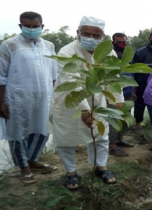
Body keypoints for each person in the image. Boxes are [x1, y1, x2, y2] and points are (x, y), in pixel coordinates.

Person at [53, 16, 123, 190]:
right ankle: (70, 172)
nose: (91, 38)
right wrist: (84, 110)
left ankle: (100, 167)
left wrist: (118, 100)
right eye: (86, 34)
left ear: (102, 36)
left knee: (101, 135)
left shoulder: (108, 52)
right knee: (66, 138)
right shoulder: (67, 52)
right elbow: (73, 83)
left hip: (97, 99)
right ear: (78, 33)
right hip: (68, 101)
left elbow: (114, 77)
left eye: (96, 35)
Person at [0, 11, 58, 184]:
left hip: (44, 96)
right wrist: (1, 102)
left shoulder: (49, 46)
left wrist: (55, 98)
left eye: (35, 26)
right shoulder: (9, 45)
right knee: (18, 132)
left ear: (42, 26)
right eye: (27, 26)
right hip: (18, 98)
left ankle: (33, 160)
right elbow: (1, 76)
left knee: (43, 130)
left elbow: (54, 74)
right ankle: (24, 167)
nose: (31, 29)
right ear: (20, 26)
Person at [108, 32, 134, 157]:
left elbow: (131, 73)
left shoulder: (128, 55)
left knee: (125, 118)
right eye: (119, 42)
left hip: (127, 91)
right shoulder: (109, 55)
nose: (122, 44)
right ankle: (111, 144)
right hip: (113, 93)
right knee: (113, 119)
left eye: (124, 42)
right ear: (113, 42)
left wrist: (134, 89)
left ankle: (120, 139)